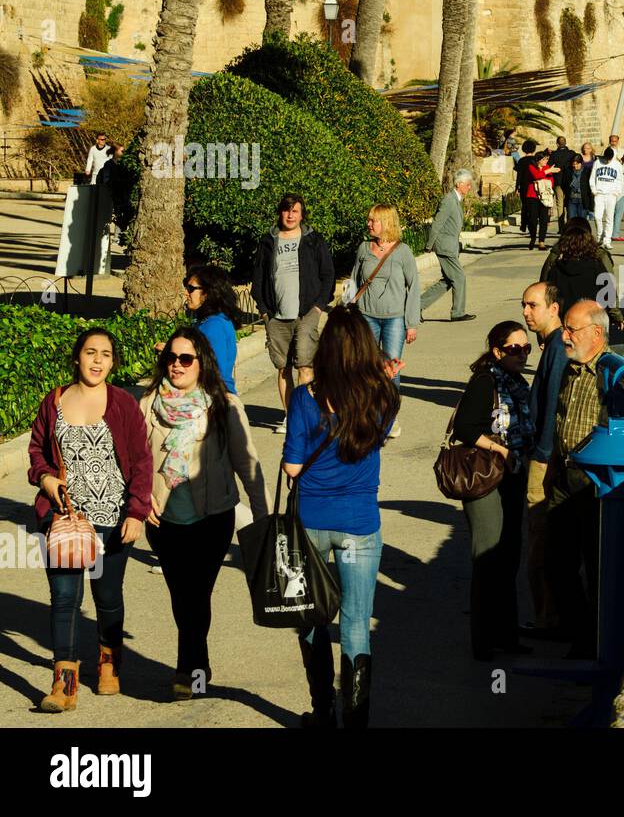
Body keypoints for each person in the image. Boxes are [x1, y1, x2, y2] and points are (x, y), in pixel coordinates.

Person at [284, 306, 401, 728]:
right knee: (356, 623)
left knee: (312, 618)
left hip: (312, 523)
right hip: (359, 526)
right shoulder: (385, 395)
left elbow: (292, 468)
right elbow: (379, 436)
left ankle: (321, 710)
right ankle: (356, 718)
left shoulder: (305, 397)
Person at [141, 328, 269, 700]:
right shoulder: (149, 403)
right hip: (163, 521)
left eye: (186, 359)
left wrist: (261, 519)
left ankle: (189, 671)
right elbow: (134, 459)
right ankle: (200, 661)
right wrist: (139, 499)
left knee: (196, 595)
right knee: (182, 597)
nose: (177, 365)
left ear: (202, 363)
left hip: (212, 519)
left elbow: (248, 462)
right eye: (171, 358)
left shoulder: (223, 404)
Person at [28, 328, 151, 712]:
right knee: (64, 599)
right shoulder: (55, 402)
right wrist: (45, 478)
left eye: (106, 354)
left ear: (113, 362)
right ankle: (63, 684)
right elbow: (36, 450)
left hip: (113, 519)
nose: (98, 361)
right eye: (90, 352)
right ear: (77, 357)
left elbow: (142, 461)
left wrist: (137, 511)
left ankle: (109, 663)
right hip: (64, 519)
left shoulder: (123, 404)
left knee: (107, 596)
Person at [545, 300, 624, 658]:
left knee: (598, 564)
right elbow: (562, 419)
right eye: (565, 328)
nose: (564, 335)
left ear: (597, 333)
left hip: (596, 484)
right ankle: (580, 631)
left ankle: (595, 643)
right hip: (564, 477)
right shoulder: (573, 367)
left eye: (572, 329)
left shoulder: (618, 375)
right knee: (557, 561)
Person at [450, 321, 536, 659]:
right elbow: (465, 428)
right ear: (498, 351)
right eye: (515, 349)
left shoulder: (516, 383)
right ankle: (484, 642)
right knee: (488, 559)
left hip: (512, 477)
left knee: (510, 556)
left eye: (526, 349)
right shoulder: (485, 382)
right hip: (486, 479)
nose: (522, 355)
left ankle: (508, 636)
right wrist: (501, 450)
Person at [251, 194, 335, 434]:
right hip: (276, 315)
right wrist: (265, 313)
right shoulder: (268, 241)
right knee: (283, 367)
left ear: (301, 214)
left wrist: (319, 306)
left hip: (307, 312)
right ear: (280, 213)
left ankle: (305, 417)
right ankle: (290, 417)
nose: (290, 215)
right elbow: (257, 279)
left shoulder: (312, 240)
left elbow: (328, 274)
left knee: (305, 366)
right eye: (287, 211)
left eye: (295, 211)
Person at [520, 282, 566, 634]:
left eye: (533, 305)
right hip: (544, 452)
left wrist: (544, 456)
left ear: (554, 308)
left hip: (544, 456)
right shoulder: (552, 345)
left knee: (539, 542)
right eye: (524, 305)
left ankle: (548, 619)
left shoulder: (557, 349)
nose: (526, 312)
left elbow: (552, 406)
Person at [350, 204, 421, 414]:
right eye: (369, 219)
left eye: (374, 220)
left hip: (395, 319)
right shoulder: (364, 248)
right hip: (366, 317)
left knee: (391, 367)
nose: (369, 224)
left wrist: (412, 323)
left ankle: (389, 414)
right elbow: (354, 281)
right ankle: (369, 412)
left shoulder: (403, 251)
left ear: (387, 222)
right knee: (367, 366)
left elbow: (414, 287)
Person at [543, 217, 624, 327]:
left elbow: (543, 287)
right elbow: (609, 289)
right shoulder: (599, 258)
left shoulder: (556, 259)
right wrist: (616, 315)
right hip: (594, 319)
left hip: (563, 320)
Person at [176, 264, 241, 396]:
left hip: (215, 398)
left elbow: (215, 370)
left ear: (207, 293)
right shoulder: (207, 321)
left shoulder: (214, 326)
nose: (186, 293)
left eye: (191, 289)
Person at [424, 170, 476, 323]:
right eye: (467, 185)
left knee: (447, 280)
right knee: (459, 278)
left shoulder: (455, 199)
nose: (469, 188)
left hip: (449, 245)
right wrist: (429, 245)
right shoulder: (448, 200)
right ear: (459, 184)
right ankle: (458, 312)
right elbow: (438, 223)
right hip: (445, 246)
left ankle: (416, 307)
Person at [521, 150, 559, 250]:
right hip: (533, 196)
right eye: (544, 159)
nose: (546, 161)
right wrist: (547, 172)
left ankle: (541, 241)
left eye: (547, 159)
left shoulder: (547, 168)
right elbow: (536, 175)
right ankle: (533, 236)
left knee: (544, 219)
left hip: (544, 197)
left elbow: (551, 181)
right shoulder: (531, 166)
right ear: (538, 160)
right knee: (532, 219)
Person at [589, 147, 624, 249]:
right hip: (599, 194)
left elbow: (620, 180)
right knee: (597, 216)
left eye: (609, 159)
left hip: (611, 195)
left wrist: (616, 192)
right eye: (606, 158)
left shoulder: (617, 164)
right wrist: (594, 190)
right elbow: (592, 177)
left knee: (610, 218)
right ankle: (600, 236)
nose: (608, 161)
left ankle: (607, 240)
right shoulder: (597, 162)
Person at [607, 134, 624, 243]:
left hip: (621, 185)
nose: (613, 143)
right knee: (615, 213)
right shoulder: (607, 152)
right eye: (612, 141)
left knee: (616, 213)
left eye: (615, 141)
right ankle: (614, 234)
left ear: (617, 141)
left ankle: (613, 233)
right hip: (616, 188)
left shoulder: (622, 151)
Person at [550, 136, 580, 220]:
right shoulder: (571, 153)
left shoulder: (554, 154)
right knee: (569, 203)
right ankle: (569, 224)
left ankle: (561, 227)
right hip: (569, 181)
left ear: (557, 144)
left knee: (560, 204)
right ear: (565, 143)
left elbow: (550, 167)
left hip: (558, 182)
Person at [575, 142, 597, 222]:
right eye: (584, 148)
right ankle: (586, 211)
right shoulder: (580, 156)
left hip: (592, 178)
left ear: (591, 149)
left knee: (592, 195)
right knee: (584, 195)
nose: (586, 150)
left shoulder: (594, 157)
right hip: (582, 179)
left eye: (588, 148)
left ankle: (591, 211)